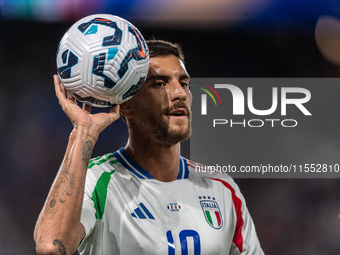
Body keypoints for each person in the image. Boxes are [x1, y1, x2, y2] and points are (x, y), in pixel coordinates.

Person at [34, 39, 264, 255]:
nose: (179, 94)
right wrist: (83, 131)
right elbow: (51, 246)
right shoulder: (96, 181)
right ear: (126, 105)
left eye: (184, 83)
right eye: (160, 84)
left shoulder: (221, 188)